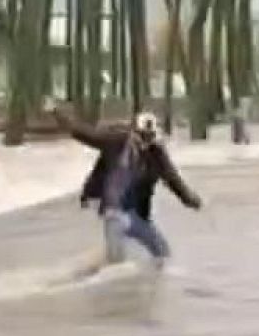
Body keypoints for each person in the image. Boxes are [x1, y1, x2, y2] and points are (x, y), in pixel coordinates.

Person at [46, 100, 203, 267]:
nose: (144, 143)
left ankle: (107, 264)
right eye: (141, 137)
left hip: (134, 213)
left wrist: (192, 200)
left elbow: (173, 180)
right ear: (133, 132)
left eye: (149, 137)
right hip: (112, 208)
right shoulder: (117, 140)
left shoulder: (157, 155)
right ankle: (94, 269)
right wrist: (56, 112)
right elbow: (85, 133)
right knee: (117, 261)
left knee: (162, 253)